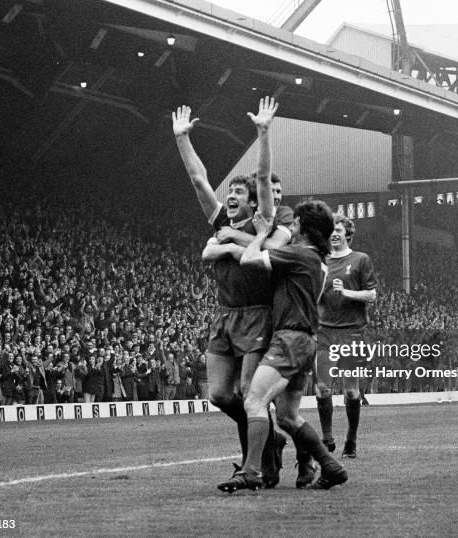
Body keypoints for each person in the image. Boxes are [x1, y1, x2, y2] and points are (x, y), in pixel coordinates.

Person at [171, 97, 291, 486]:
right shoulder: (219, 219)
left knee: (248, 391)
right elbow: (198, 180)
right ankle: (269, 439)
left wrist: (263, 132)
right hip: (224, 317)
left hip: (257, 314)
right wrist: (182, 139)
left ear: (254, 200)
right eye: (232, 192)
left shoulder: (264, 226)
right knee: (221, 395)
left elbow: (262, 176)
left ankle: (255, 467)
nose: (233, 196)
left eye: (241, 192)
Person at [219, 196, 347, 492]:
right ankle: (331, 466)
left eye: (296, 222)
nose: (292, 226)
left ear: (305, 227)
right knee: (288, 417)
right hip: (305, 341)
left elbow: (250, 259)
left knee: (254, 400)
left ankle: (251, 472)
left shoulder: (299, 254)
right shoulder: (319, 260)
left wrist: (260, 234)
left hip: (289, 339)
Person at [315, 215, 377, 458]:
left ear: (348, 234)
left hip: (352, 333)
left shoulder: (360, 260)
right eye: (331, 230)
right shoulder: (322, 262)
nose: (334, 234)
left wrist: (347, 292)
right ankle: (327, 438)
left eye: (338, 230)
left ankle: (350, 441)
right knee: (322, 388)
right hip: (325, 333)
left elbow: (371, 296)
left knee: (351, 392)